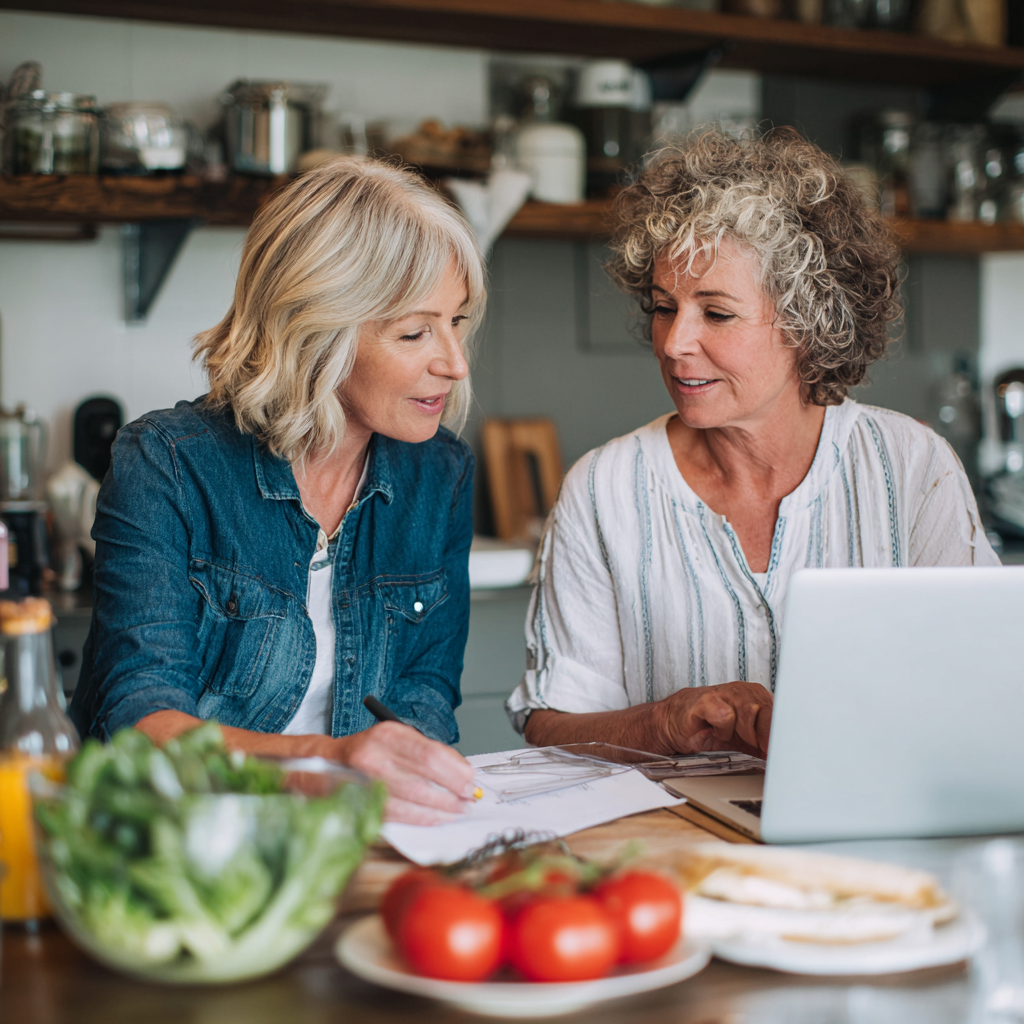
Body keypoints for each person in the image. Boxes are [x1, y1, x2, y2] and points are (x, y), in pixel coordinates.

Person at [507, 127, 999, 757]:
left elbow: (985, 683)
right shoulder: (604, 489)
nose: (674, 343)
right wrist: (662, 722)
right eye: (663, 307)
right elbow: (552, 725)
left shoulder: (909, 467)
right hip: (671, 822)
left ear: (809, 319)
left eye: (716, 313)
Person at [71, 157, 485, 824]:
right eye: (414, 332)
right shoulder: (167, 465)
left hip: (346, 837)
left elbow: (424, 697)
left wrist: (414, 779)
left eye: (457, 321)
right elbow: (141, 726)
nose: (455, 363)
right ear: (316, 330)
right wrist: (328, 765)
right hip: (172, 835)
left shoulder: (441, 474)